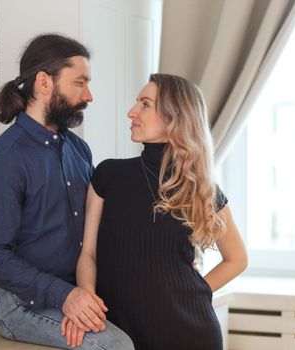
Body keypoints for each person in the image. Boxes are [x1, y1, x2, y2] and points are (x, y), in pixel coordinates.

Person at [0, 34, 134, 349]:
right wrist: (65, 297)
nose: (89, 95)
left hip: (75, 290)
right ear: (44, 82)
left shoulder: (79, 149)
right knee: (115, 346)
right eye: (79, 83)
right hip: (20, 302)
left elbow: (96, 225)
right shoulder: (4, 160)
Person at [74, 74, 248, 349]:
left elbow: (237, 259)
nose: (132, 112)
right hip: (120, 335)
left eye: (145, 104)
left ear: (174, 117)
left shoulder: (199, 187)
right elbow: (89, 253)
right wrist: (86, 298)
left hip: (190, 334)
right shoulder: (109, 175)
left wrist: (194, 292)